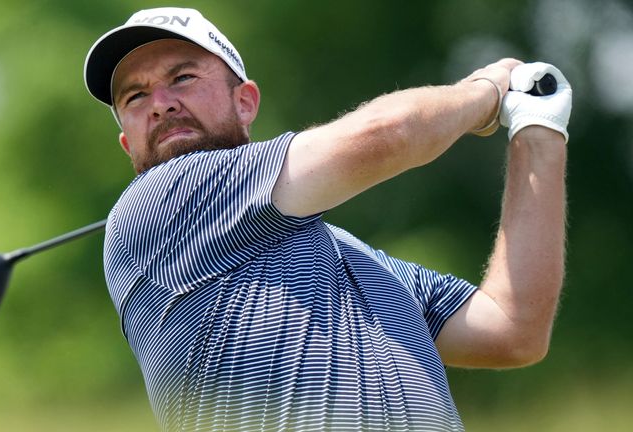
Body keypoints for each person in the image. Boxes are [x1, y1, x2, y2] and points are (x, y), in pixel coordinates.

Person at [83, 7, 571, 431]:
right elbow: (387, 135)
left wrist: (539, 130)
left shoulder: (349, 256)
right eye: (135, 97)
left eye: (182, 78)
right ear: (127, 141)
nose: (161, 103)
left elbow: (512, 330)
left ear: (245, 101)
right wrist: (487, 90)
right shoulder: (156, 202)